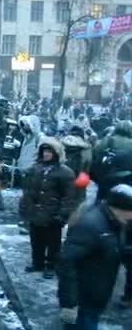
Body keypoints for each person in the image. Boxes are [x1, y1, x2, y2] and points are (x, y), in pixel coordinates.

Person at [57, 185, 132, 329]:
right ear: (122, 209)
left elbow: (117, 249)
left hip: (98, 294)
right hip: (83, 299)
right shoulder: (91, 225)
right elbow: (66, 263)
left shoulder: (117, 223)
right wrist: (70, 303)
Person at [20, 137, 76, 279]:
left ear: (56, 153)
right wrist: (26, 207)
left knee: (53, 244)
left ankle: (51, 266)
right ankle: (37, 263)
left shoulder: (65, 173)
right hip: (36, 213)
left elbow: (69, 197)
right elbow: (28, 190)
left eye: (49, 151)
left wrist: (62, 215)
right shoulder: (36, 168)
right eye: (44, 151)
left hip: (53, 215)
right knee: (36, 240)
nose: (46, 154)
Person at [90, 120, 132, 202]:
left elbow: (95, 152)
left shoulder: (108, 140)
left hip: (107, 173)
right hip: (127, 176)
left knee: (101, 198)